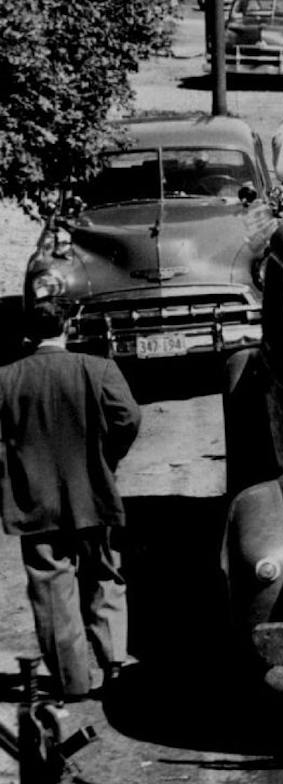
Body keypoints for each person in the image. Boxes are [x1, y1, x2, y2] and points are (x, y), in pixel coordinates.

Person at [0, 298, 141, 700]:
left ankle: (71, 680)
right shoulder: (97, 369)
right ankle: (114, 664)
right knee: (103, 575)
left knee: (51, 589)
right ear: (68, 329)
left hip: (34, 502)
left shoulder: (6, 378)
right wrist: (107, 458)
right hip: (93, 494)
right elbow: (128, 418)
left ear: (28, 336)